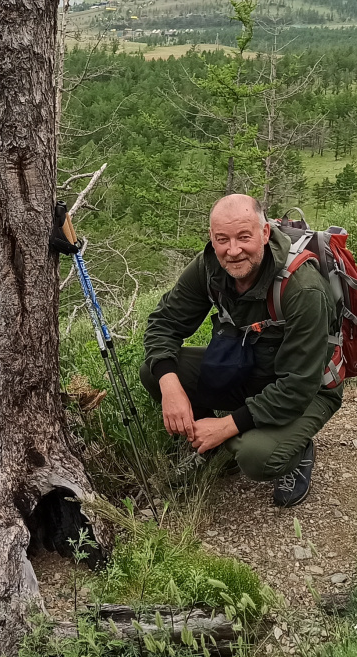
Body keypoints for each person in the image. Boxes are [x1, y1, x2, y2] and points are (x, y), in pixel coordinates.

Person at [140, 193, 340, 507]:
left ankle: (298, 450)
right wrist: (169, 385)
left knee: (256, 456)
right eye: (223, 239)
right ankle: (210, 449)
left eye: (244, 237)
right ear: (212, 238)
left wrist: (224, 426)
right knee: (159, 371)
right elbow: (164, 322)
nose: (233, 251)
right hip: (248, 369)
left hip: (308, 390)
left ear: (264, 233)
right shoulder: (209, 267)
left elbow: (298, 386)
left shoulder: (303, 289)